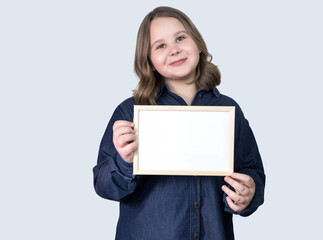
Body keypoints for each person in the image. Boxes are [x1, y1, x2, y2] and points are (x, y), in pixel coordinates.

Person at [93, 6, 265, 240]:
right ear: (150, 60)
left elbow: (251, 172)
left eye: (181, 38)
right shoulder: (129, 113)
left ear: (197, 43)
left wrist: (248, 194)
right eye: (160, 45)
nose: (174, 50)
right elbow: (103, 186)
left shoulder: (229, 110)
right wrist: (124, 161)